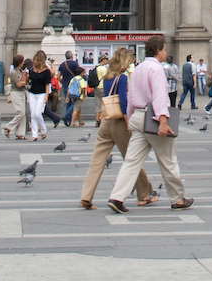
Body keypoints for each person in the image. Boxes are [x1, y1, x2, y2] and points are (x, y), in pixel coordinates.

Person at [107, 35, 193, 213]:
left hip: (138, 116)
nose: (166, 52)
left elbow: (131, 97)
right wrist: (163, 120)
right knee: (168, 160)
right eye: (165, 49)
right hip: (153, 117)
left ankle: (117, 197)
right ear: (159, 51)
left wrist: (130, 119)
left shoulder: (138, 69)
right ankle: (177, 198)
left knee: (131, 161)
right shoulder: (156, 69)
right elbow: (160, 96)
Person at [79, 47, 156, 210]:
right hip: (119, 122)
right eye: (129, 62)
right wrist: (128, 124)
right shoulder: (122, 78)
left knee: (96, 162)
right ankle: (143, 194)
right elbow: (123, 103)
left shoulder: (107, 76)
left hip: (106, 120)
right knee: (132, 159)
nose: (129, 65)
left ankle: (86, 196)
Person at [27, 49, 51, 141]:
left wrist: (46, 96)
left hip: (41, 93)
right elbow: (29, 82)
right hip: (32, 93)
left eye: (36, 60)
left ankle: (43, 130)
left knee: (38, 113)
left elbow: (47, 84)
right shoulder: (31, 70)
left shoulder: (46, 71)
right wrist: (26, 78)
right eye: (34, 60)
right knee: (33, 114)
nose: (34, 62)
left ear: (40, 61)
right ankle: (34, 134)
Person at [4, 54, 28, 140]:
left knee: (22, 114)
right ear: (19, 62)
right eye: (22, 61)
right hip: (15, 93)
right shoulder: (13, 73)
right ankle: (8, 127)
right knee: (21, 112)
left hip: (22, 92)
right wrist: (25, 81)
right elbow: (18, 84)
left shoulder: (21, 71)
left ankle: (20, 133)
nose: (23, 63)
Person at [57, 50, 81, 126]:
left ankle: (69, 121)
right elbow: (78, 74)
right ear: (71, 56)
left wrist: (63, 82)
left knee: (68, 102)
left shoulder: (62, 65)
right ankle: (67, 116)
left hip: (65, 86)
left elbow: (58, 76)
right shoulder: (75, 64)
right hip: (74, 86)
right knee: (75, 103)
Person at [88, 55, 108, 127]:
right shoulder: (104, 68)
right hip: (102, 87)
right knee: (105, 104)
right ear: (103, 60)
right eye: (106, 59)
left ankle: (97, 121)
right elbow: (106, 78)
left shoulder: (96, 68)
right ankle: (100, 118)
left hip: (96, 87)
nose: (107, 61)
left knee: (97, 104)